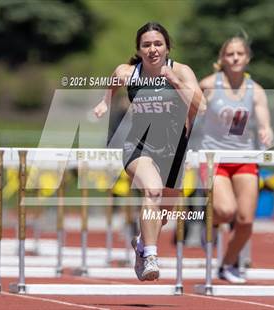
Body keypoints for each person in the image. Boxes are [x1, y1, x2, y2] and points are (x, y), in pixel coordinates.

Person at [94, 22, 206, 281]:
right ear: (139, 49)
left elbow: (202, 107)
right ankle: (151, 257)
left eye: (158, 44)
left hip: (174, 150)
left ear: (167, 47)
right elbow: (112, 85)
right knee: (152, 191)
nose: (153, 49)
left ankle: (141, 243)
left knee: (162, 216)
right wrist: (104, 102)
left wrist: (176, 82)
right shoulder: (127, 72)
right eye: (147, 45)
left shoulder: (182, 71)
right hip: (139, 147)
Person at [199, 35, 273, 283]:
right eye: (230, 54)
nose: (235, 58)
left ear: (247, 58)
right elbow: (189, 112)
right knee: (226, 210)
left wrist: (265, 131)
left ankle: (227, 264)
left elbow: (264, 122)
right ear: (222, 58)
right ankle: (208, 222)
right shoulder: (209, 85)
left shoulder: (256, 91)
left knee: (245, 220)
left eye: (239, 54)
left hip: (243, 157)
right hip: (215, 157)